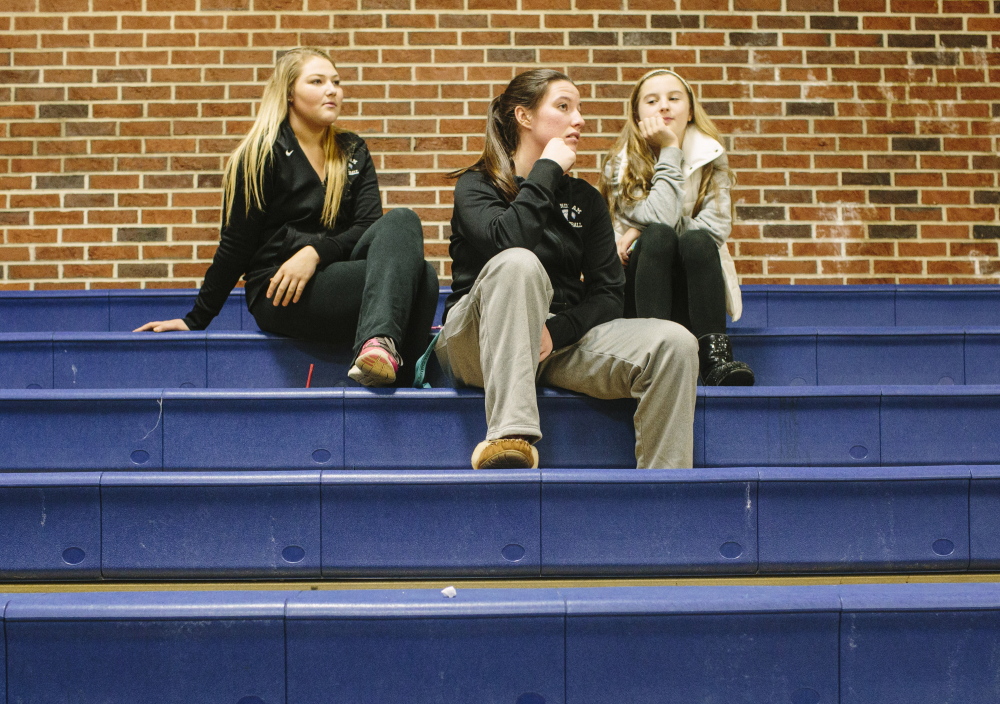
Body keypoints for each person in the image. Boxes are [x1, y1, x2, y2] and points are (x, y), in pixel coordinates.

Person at [437, 69, 698, 471]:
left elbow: (609, 293)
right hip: (477, 341)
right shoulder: (477, 185)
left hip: (552, 341)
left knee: (674, 342)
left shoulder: (585, 200)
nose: (579, 119)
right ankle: (511, 436)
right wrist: (546, 170)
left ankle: (664, 493)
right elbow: (508, 241)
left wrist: (557, 331)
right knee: (518, 263)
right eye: (564, 107)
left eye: (579, 109)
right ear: (524, 117)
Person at [135, 47, 437, 387]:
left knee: (404, 224)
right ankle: (393, 366)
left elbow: (366, 228)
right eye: (317, 81)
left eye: (336, 82)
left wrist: (315, 253)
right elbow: (235, 245)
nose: (332, 90)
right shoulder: (261, 153)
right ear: (290, 93)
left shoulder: (352, 150)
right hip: (280, 290)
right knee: (420, 277)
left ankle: (383, 358)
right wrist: (195, 319)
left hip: (338, 275)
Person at [598, 68, 754, 386]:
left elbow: (715, 227)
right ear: (637, 114)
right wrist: (670, 149)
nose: (664, 107)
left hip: (692, 288)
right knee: (658, 235)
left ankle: (714, 359)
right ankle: (653, 354)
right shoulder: (620, 162)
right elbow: (661, 220)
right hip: (639, 292)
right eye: (652, 101)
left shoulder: (712, 156)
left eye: (674, 98)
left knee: (696, 240)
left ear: (691, 110)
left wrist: (636, 229)